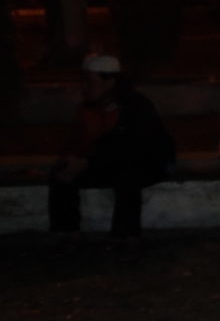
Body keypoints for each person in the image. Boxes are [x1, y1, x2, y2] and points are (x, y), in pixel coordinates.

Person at [49, 54, 174, 240]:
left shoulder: (135, 105)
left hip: (147, 163)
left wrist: (88, 161)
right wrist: (71, 161)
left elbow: (132, 146)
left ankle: (125, 237)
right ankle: (66, 233)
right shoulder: (88, 109)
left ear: (109, 82)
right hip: (104, 162)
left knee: (128, 177)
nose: (84, 88)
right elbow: (78, 140)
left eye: (90, 82)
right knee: (61, 175)